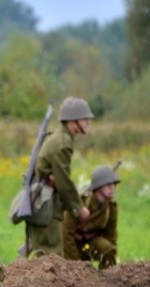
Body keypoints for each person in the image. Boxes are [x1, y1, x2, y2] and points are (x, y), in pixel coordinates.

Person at [28, 97, 92, 256]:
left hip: (44, 200)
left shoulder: (60, 138)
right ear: (72, 122)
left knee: (47, 253)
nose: (88, 123)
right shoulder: (63, 143)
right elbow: (63, 181)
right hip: (46, 203)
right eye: (84, 119)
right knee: (51, 256)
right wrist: (78, 208)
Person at [62, 164, 120, 269]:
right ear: (98, 187)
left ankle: (106, 279)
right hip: (71, 246)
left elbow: (111, 236)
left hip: (91, 244)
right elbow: (66, 234)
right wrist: (77, 265)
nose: (112, 188)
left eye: (113, 184)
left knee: (108, 249)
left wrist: (110, 256)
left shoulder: (111, 207)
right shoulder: (79, 203)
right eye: (108, 185)